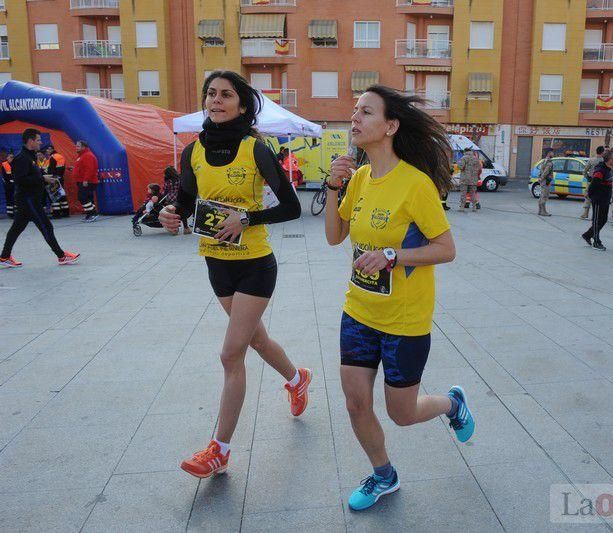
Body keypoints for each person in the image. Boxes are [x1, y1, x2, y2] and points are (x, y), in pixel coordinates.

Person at [324, 85, 474, 512]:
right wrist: (334, 186)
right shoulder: (358, 178)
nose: (354, 118)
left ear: (390, 126)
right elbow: (336, 237)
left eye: (365, 112)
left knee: (402, 413)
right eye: (354, 110)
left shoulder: (416, 184)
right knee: (355, 402)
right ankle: (383, 475)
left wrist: (394, 255)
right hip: (358, 310)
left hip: (404, 319)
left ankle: (452, 403)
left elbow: (446, 249)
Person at [158, 71, 309, 479]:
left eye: (226, 95)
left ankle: (219, 450)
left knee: (231, 354)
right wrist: (169, 215)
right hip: (215, 264)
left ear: (242, 105)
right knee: (256, 339)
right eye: (211, 93)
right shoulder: (192, 151)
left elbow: (291, 208)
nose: (216, 100)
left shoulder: (254, 149)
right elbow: (185, 205)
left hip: (254, 265)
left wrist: (247, 217)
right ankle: (297, 378)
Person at [0, 129, 80, 268]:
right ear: (30, 141)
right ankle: (61, 256)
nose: (41, 142)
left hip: (29, 199)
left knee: (16, 228)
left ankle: (4, 256)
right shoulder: (22, 158)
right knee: (46, 226)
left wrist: (43, 178)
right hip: (28, 200)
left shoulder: (31, 157)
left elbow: (32, 176)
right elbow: (20, 180)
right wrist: (42, 178)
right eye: (38, 140)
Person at [581, 150, 613, 251]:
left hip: (605, 199)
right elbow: (593, 184)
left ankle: (587, 235)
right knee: (597, 221)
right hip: (598, 199)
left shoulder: (609, 169)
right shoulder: (600, 170)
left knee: (603, 220)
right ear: (610, 159)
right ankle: (596, 242)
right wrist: (592, 196)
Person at [72, 140, 99, 222]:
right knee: (88, 198)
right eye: (76, 146)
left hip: (87, 181)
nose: (76, 147)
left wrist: (86, 180)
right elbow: (83, 168)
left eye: (78, 146)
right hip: (83, 180)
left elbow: (90, 169)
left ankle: (92, 213)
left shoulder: (87, 156)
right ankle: (90, 214)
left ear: (83, 147)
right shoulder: (82, 155)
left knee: (82, 197)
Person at [581, 145, 606, 219]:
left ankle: (585, 213)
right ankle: (595, 215)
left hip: (591, 180)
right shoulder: (604, 161)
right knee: (598, 198)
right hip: (601, 182)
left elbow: (585, 171)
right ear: (602, 152)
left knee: (588, 196)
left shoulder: (591, 160)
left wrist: (587, 177)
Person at [45, 145, 69, 218]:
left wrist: (49, 177)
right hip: (59, 178)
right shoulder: (59, 156)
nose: (47, 152)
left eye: (47, 150)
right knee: (61, 196)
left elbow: (52, 169)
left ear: (51, 149)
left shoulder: (53, 157)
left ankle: (57, 213)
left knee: (55, 196)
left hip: (54, 178)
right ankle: (65, 212)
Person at [460, 146, 481, 213]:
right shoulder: (476, 158)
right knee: (473, 193)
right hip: (474, 179)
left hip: (465, 178)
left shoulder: (464, 158)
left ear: (465, 151)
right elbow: (479, 168)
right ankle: (474, 207)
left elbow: (461, 167)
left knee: (463, 193)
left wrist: (458, 163)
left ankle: (462, 207)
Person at [537, 148, 554, 216]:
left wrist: (540, 178)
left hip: (543, 181)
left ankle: (540, 211)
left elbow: (541, 170)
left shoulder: (544, 161)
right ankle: (543, 211)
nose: (553, 154)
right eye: (552, 152)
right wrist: (542, 178)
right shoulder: (549, 162)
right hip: (546, 181)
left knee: (542, 195)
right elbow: (546, 172)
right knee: (544, 196)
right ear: (549, 153)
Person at [2, 153, 14, 218]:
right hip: (8, 185)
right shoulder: (4, 164)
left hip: (15, 184)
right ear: (7, 158)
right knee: (9, 198)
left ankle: (16, 213)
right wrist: (10, 181)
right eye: (10, 157)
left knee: (16, 199)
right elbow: (4, 176)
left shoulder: (15, 164)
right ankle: (10, 213)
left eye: (12, 157)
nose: (12, 158)